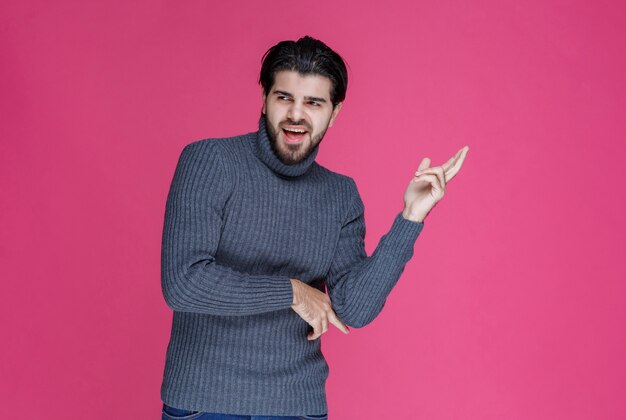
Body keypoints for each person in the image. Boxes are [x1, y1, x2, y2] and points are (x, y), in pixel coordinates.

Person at [159, 35, 469, 420]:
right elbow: (184, 284)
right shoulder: (209, 161)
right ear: (264, 99)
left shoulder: (340, 195)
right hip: (205, 402)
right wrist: (292, 292)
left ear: (334, 112)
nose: (295, 115)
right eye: (284, 97)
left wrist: (410, 218)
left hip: (297, 406)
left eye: (313, 103)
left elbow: (352, 310)